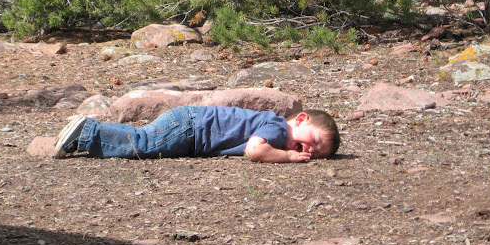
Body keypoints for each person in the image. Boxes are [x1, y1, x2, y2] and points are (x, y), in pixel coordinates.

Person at [53, 106, 340, 163]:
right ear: (300, 119)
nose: (310, 151)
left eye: (317, 154)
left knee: (144, 139)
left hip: (190, 124)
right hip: (191, 127)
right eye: (314, 142)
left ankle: (89, 132)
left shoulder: (274, 126)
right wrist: (288, 156)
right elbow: (255, 150)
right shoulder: (277, 128)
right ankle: (87, 131)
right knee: (143, 145)